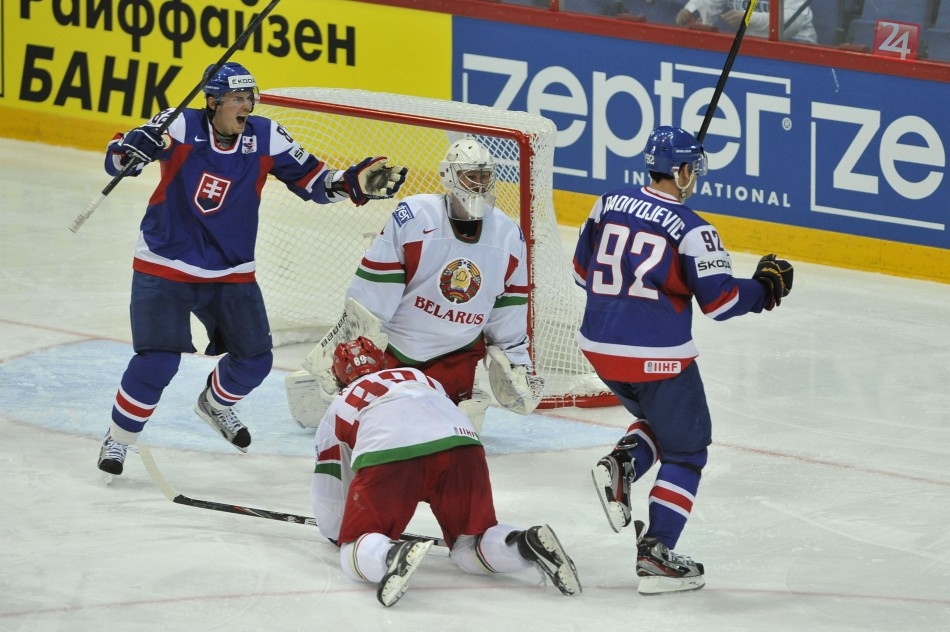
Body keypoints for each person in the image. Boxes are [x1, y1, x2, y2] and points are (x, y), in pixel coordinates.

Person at [96, 61, 408, 476]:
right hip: (164, 262)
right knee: (157, 362)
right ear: (213, 102)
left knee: (255, 361)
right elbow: (119, 161)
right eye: (237, 98)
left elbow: (314, 181)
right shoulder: (181, 125)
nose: (247, 105)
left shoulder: (265, 135)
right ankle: (118, 439)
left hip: (231, 270)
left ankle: (214, 403)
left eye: (250, 98)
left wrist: (352, 183)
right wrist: (129, 149)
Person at [573, 126, 793, 594]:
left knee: (663, 420)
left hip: (597, 346)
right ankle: (656, 554)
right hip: (657, 357)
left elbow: (580, 272)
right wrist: (764, 289)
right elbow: (722, 302)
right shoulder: (695, 229)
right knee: (688, 450)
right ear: (684, 171)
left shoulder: (607, 203)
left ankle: (623, 465)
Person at [286, 138, 543, 433]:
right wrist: (351, 346)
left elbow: (510, 304)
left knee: (450, 430)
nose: (478, 185)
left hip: (456, 353)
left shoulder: (509, 235)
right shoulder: (415, 215)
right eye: (470, 176)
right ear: (449, 176)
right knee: (376, 426)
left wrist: (516, 360)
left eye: (484, 176)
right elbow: (372, 293)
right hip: (396, 348)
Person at [310, 337, 580, 607]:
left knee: (352, 550)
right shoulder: (420, 377)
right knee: (468, 545)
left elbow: (330, 478)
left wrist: (340, 532)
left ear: (338, 376)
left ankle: (389, 555)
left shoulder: (340, 405)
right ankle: (524, 543)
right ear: (383, 363)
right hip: (462, 445)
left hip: (391, 454)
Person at [676, 0, 818, 44]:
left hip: (795, 45)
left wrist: (748, 17)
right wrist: (690, 10)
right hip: (750, 45)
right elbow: (710, 3)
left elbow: (790, 24)